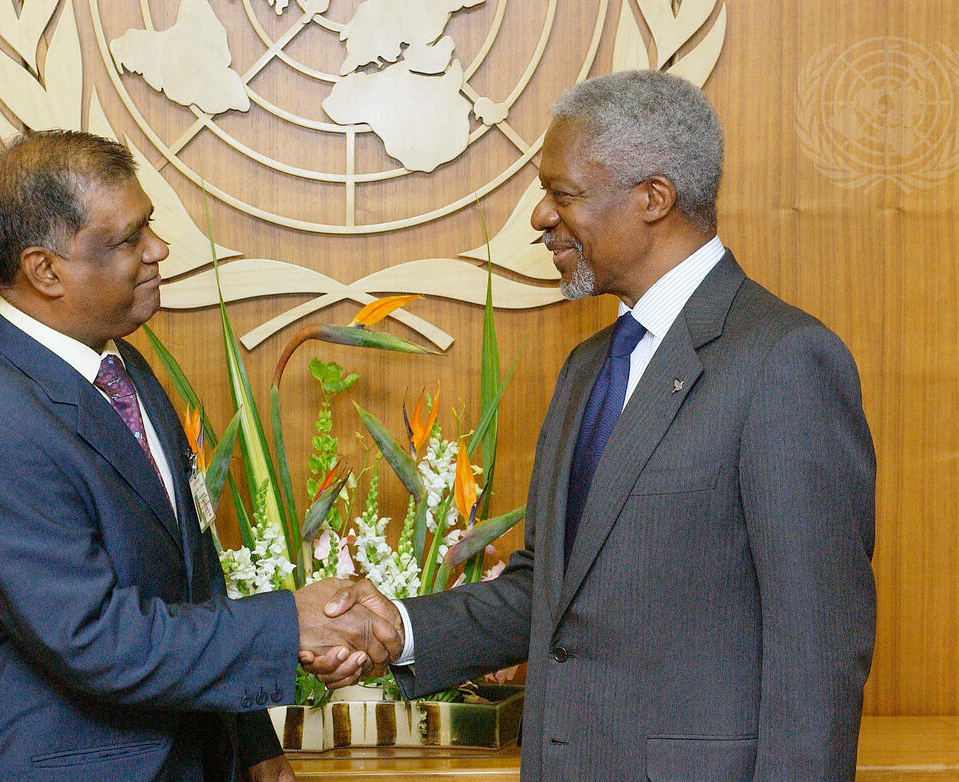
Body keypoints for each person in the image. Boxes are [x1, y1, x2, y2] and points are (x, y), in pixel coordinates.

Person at [316, 70, 877, 780]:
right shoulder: (588, 367)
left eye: (565, 194)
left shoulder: (784, 360)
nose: (540, 216)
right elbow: (551, 590)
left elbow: (818, 649)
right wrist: (400, 628)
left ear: (654, 198)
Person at [0, 130, 396, 782]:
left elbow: (195, 581)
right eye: (128, 240)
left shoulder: (121, 366)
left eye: (148, 226)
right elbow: (97, 638)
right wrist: (288, 625)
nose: (158, 250)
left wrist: (254, 746)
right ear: (45, 270)